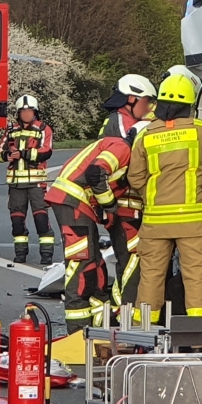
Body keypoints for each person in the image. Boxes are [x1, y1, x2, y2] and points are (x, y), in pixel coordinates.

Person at [127, 72, 202, 322]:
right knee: (196, 276)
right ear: (189, 104)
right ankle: (201, 329)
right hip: (191, 221)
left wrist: (153, 197)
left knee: (151, 276)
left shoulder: (145, 136)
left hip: (155, 221)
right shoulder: (200, 130)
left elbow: (135, 177)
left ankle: (143, 329)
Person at [44, 136, 134, 334]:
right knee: (81, 264)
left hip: (77, 201)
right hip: (73, 201)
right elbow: (96, 172)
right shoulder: (122, 148)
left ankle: (97, 324)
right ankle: (77, 330)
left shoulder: (117, 145)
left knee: (94, 262)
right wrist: (109, 206)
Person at [99, 74, 156, 307]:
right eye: (146, 101)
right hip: (124, 205)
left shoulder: (126, 120)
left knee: (130, 262)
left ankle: (121, 310)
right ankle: (123, 312)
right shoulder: (121, 122)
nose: (149, 107)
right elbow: (130, 158)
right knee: (131, 261)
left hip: (129, 205)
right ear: (131, 99)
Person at [0, 93, 54, 265]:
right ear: (19, 113)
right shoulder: (11, 130)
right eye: (23, 112)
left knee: (41, 219)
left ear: (35, 112)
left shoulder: (43, 129)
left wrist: (23, 154)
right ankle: (20, 253)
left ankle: (46, 254)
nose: (26, 114)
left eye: (29, 111)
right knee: (17, 221)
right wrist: (7, 155)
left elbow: (46, 151)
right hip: (16, 185)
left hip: (36, 184)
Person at [100, 74, 157, 141]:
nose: (148, 109)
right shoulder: (124, 123)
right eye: (146, 102)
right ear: (132, 99)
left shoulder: (118, 117)